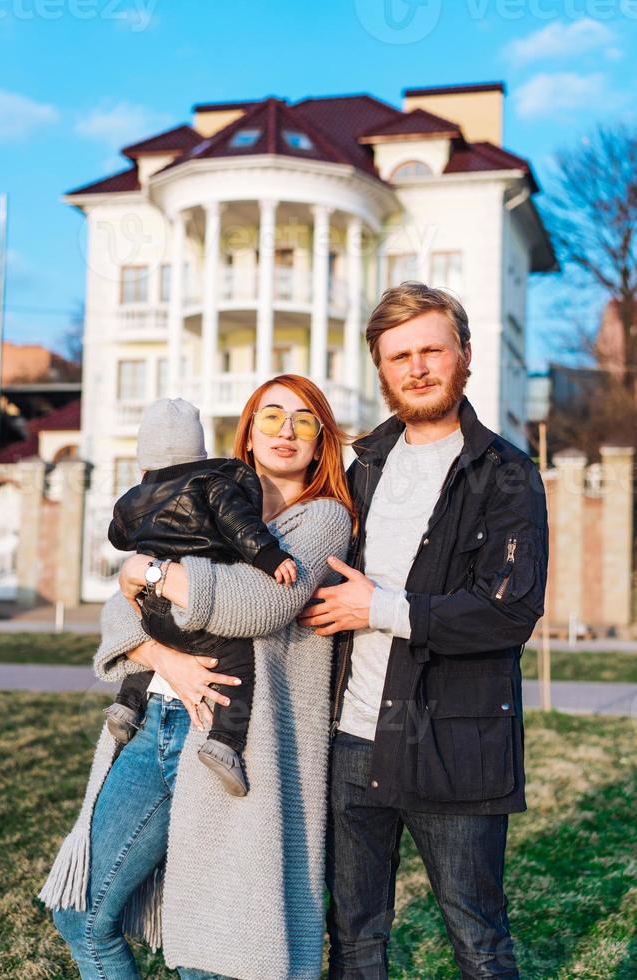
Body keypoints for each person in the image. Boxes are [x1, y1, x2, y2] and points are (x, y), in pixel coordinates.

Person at [40, 374, 354, 980]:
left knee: (212, 953)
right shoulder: (201, 498)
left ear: (321, 442)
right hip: (155, 724)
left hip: (234, 743)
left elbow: (258, 603)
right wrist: (162, 657)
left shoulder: (322, 522)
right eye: (271, 417)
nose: (285, 432)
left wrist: (147, 573)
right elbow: (115, 611)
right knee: (81, 915)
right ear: (248, 430)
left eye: (304, 421)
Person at [299, 282, 548, 979]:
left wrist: (377, 608)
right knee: (353, 935)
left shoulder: (506, 474)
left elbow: (507, 611)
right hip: (353, 738)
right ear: (382, 370)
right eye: (399, 356)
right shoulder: (364, 466)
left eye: (431, 350)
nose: (416, 367)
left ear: (464, 356)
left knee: (478, 937)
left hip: (457, 740)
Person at [106, 396, 298, 797]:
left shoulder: (134, 498)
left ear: (145, 463)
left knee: (154, 635)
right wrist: (269, 554)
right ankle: (225, 743)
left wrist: (140, 562)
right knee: (237, 662)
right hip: (195, 615)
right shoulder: (213, 482)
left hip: (152, 607)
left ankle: (127, 703)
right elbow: (238, 523)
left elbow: (118, 536)